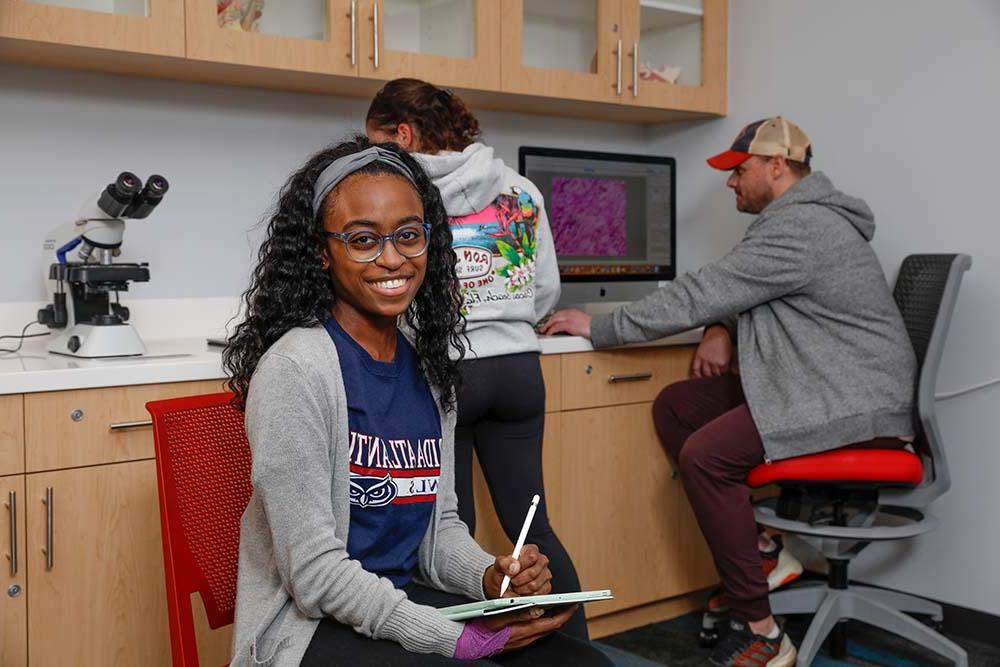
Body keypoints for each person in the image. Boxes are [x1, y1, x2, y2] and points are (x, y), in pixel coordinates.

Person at [542, 117, 918, 667]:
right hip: (822, 384)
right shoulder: (797, 222)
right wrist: (721, 329)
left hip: (850, 403)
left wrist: (599, 327)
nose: (729, 182)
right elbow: (753, 294)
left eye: (738, 170)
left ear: (776, 166)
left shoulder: (801, 227)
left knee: (706, 458)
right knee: (678, 405)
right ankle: (763, 553)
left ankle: (762, 631)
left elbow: (709, 289)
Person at [223, 137, 612, 666]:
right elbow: (314, 577)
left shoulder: (428, 365)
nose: (392, 259)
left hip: (401, 601)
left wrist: (488, 575)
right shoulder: (298, 370)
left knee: (580, 662)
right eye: (362, 240)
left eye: (408, 236)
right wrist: (453, 638)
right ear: (321, 250)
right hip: (309, 628)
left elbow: (439, 531)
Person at [365, 78, 588, 640]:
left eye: (377, 143)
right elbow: (545, 292)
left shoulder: (404, 194)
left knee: (449, 533)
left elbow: (394, 288)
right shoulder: (519, 189)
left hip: (446, 370)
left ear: (405, 133)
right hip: (518, 370)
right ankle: (573, 649)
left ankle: (471, 650)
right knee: (532, 526)